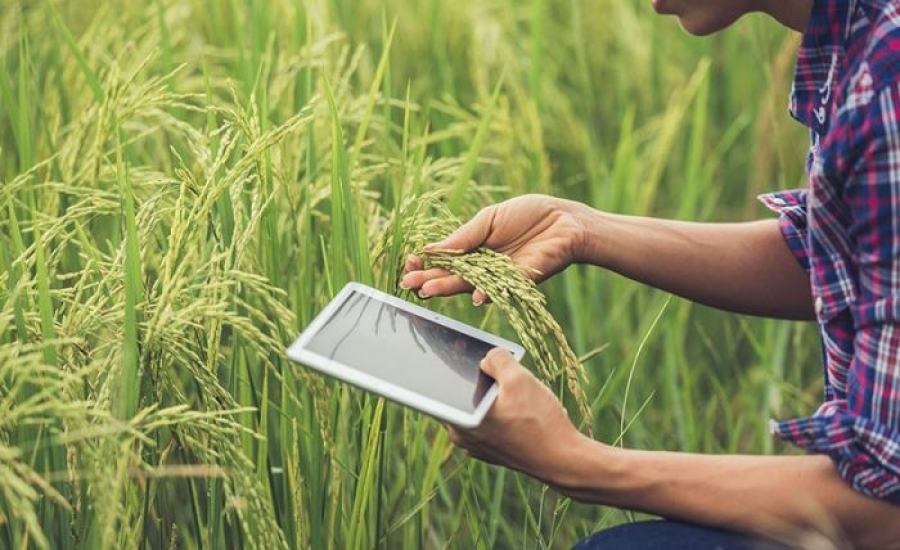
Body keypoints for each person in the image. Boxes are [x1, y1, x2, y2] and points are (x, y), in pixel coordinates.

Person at [401, 0, 900, 548]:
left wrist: (574, 463)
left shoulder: (887, 82)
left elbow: (883, 509)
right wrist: (582, 226)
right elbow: (847, 256)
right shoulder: (858, 40)